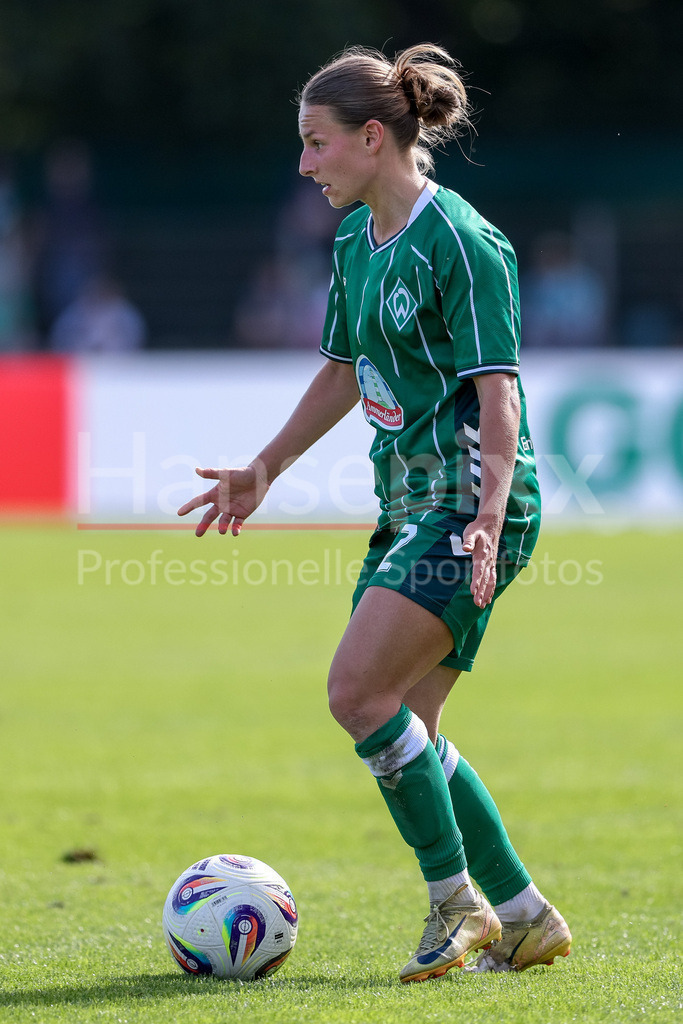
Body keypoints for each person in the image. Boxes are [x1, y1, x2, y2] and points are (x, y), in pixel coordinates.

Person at [178, 43, 571, 982]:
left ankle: (457, 905)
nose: (305, 165)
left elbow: (498, 395)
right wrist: (265, 467)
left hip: (468, 506)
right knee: (409, 732)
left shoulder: (464, 244)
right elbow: (346, 369)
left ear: (369, 137)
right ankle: (523, 917)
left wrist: (483, 515)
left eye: (315, 145)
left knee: (355, 693)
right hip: (407, 507)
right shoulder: (357, 241)